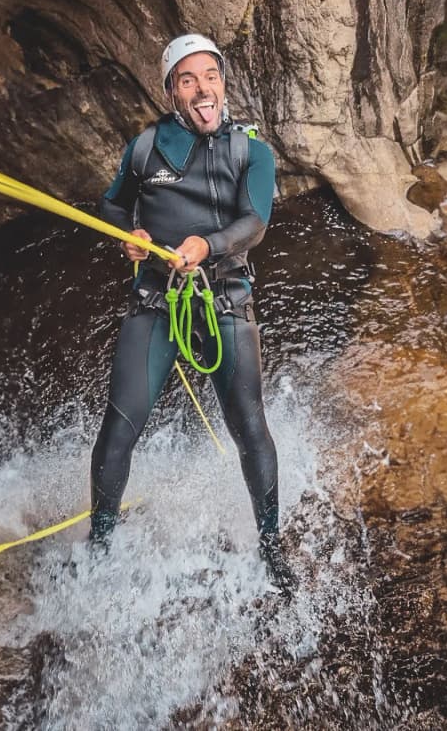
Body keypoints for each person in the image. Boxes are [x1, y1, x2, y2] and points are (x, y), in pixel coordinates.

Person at [90, 33, 295, 591]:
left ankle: (272, 548)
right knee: (120, 425)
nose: (202, 89)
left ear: (222, 83)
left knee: (250, 426)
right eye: (187, 79)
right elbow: (111, 202)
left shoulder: (251, 151)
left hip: (224, 297)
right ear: (171, 93)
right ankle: (99, 547)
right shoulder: (145, 149)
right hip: (157, 300)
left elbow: (254, 222)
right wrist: (126, 233)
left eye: (210, 76)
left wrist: (207, 245)